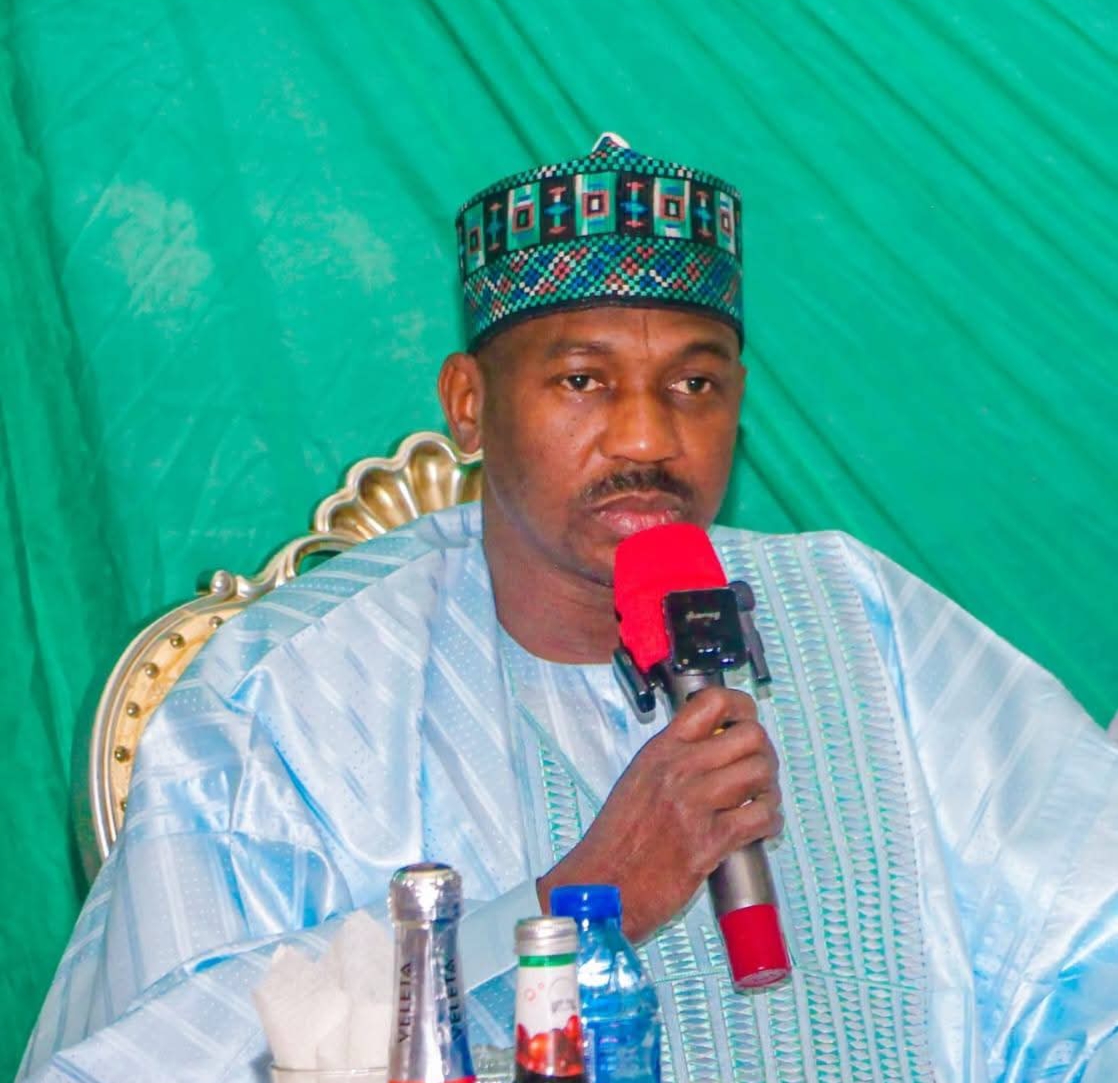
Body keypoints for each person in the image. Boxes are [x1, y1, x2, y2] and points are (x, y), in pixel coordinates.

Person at [19, 135, 1118, 1082]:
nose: (647, 438)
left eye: (694, 384)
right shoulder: (291, 694)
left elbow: (1085, 936)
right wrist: (572, 902)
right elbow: (161, 1052)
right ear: (469, 404)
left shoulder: (867, 619)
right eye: (583, 380)